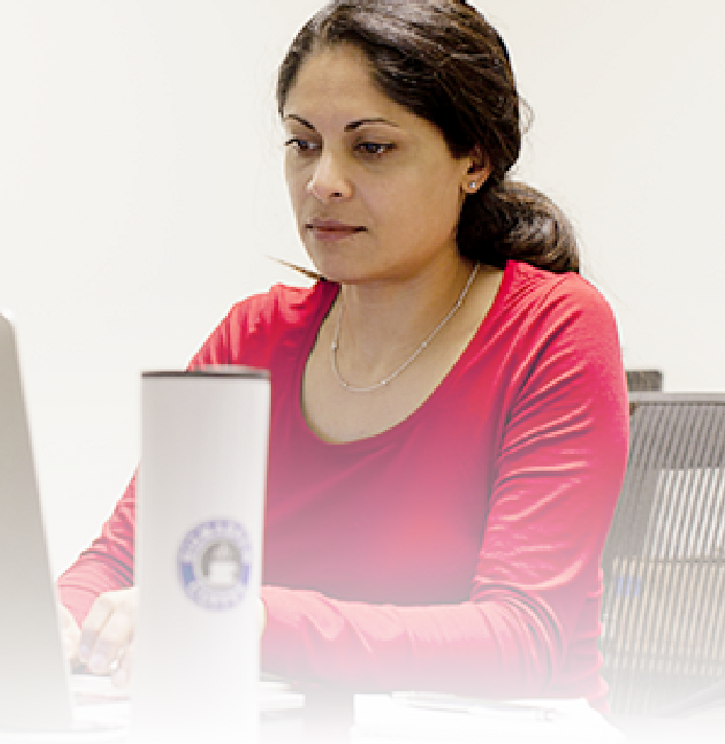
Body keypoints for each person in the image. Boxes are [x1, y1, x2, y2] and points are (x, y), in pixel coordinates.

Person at [55, 0, 629, 710]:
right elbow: (120, 561)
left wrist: (252, 621)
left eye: (371, 147)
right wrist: (58, 619)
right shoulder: (255, 336)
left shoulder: (552, 326)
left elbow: (522, 640)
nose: (321, 181)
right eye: (301, 144)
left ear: (473, 160)